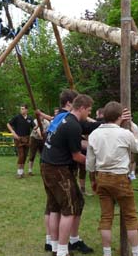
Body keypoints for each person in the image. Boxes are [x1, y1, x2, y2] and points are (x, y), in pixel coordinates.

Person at [86, 101, 138, 256]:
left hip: (102, 177)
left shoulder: (95, 134)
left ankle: (107, 253)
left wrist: (93, 179)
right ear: (120, 117)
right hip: (120, 178)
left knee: (106, 217)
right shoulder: (125, 134)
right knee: (130, 216)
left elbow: (90, 164)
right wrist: (134, 133)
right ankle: (136, 253)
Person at [41, 94, 94, 256]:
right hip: (58, 169)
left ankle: (54, 245)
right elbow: (77, 156)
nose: (89, 115)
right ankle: (63, 250)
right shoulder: (72, 126)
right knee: (70, 208)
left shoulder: (62, 118)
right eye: (89, 111)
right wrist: (97, 164)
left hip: (46, 165)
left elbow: (89, 127)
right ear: (82, 108)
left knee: (54, 206)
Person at [7, 104, 34, 178]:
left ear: (26, 110)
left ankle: (21, 172)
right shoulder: (17, 117)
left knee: (25, 155)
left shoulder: (30, 118)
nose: (21, 110)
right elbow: (8, 124)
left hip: (27, 139)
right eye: (21, 109)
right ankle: (18, 172)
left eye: (23, 109)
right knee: (21, 155)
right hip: (18, 138)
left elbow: (34, 127)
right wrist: (13, 132)